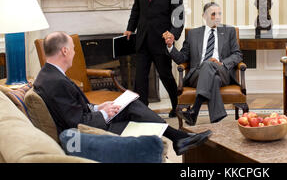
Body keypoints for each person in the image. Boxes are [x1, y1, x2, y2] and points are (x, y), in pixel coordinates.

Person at [33, 32, 211, 156]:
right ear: (64, 51)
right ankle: (178, 138)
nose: (73, 52)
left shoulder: (50, 75)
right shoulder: (56, 82)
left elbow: (72, 110)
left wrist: (97, 107)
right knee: (137, 120)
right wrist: (103, 113)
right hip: (86, 134)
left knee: (131, 104)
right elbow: (76, 122)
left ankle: (178, 138)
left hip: (89, 120)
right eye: (72, 48)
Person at [163, 2, 243, 125]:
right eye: (213, 14)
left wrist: (222, 63)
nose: (217, 17)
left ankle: (194, 110)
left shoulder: (229, 31)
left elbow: (237, 55)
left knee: (209, 66)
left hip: (222, 72)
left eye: (219, 14)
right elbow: (181, 59)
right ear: (204, 16)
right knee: (212, 75)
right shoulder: (193, 34)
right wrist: (170, 46)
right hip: (197, 75)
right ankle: (216, 117)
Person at [124, 0, 184, 117]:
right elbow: (137, 7)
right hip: (143, 39)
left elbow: (178, 15)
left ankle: (176, 105)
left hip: (161, 40)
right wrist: (130, 28)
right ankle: (143, 111)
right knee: (140, 78)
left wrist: (173, 34)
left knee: (165, 75)